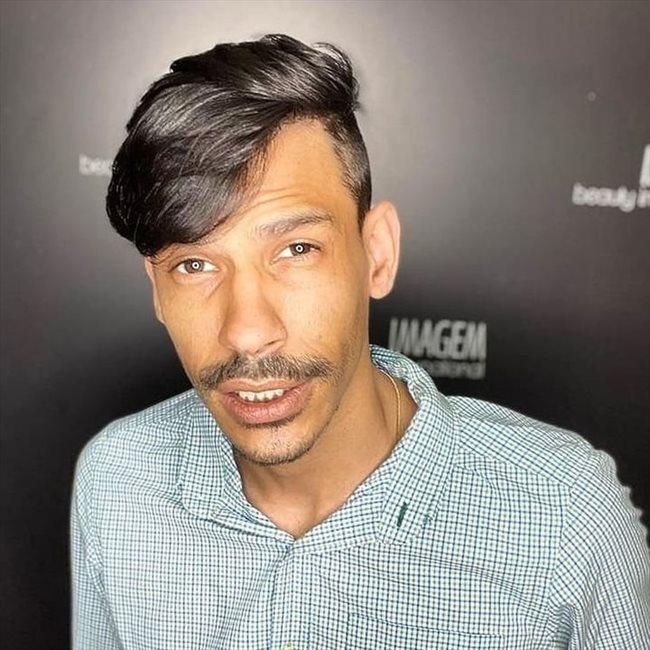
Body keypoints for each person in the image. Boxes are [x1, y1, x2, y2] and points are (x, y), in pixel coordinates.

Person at [71, 34, 650, 649]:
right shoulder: (117, 479)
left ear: (377, 254)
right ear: (158, 291)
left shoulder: (565, 515)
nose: (247, 330)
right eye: (195, 265)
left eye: (296, 249)